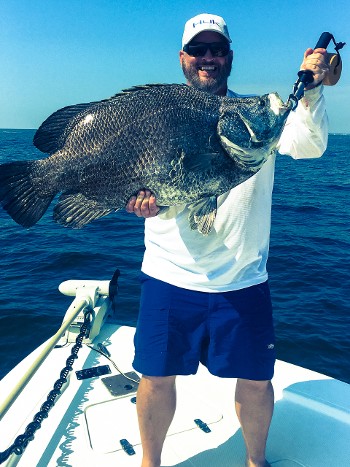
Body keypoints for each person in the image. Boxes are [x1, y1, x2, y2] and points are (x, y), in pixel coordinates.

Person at [126, 13, 328, 467]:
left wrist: (312, 90)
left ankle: (255, 462)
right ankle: (149, 463)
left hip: (243, 281)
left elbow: (311, 145)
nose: (208, 58)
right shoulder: (159, 117)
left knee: (256, 381)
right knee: (155, 379)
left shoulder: (255, 117)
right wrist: (138, 200)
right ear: (183, 58)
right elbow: (139, 184)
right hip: (168, 276)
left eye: (217, 50)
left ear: (229, 57)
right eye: (198, 50)